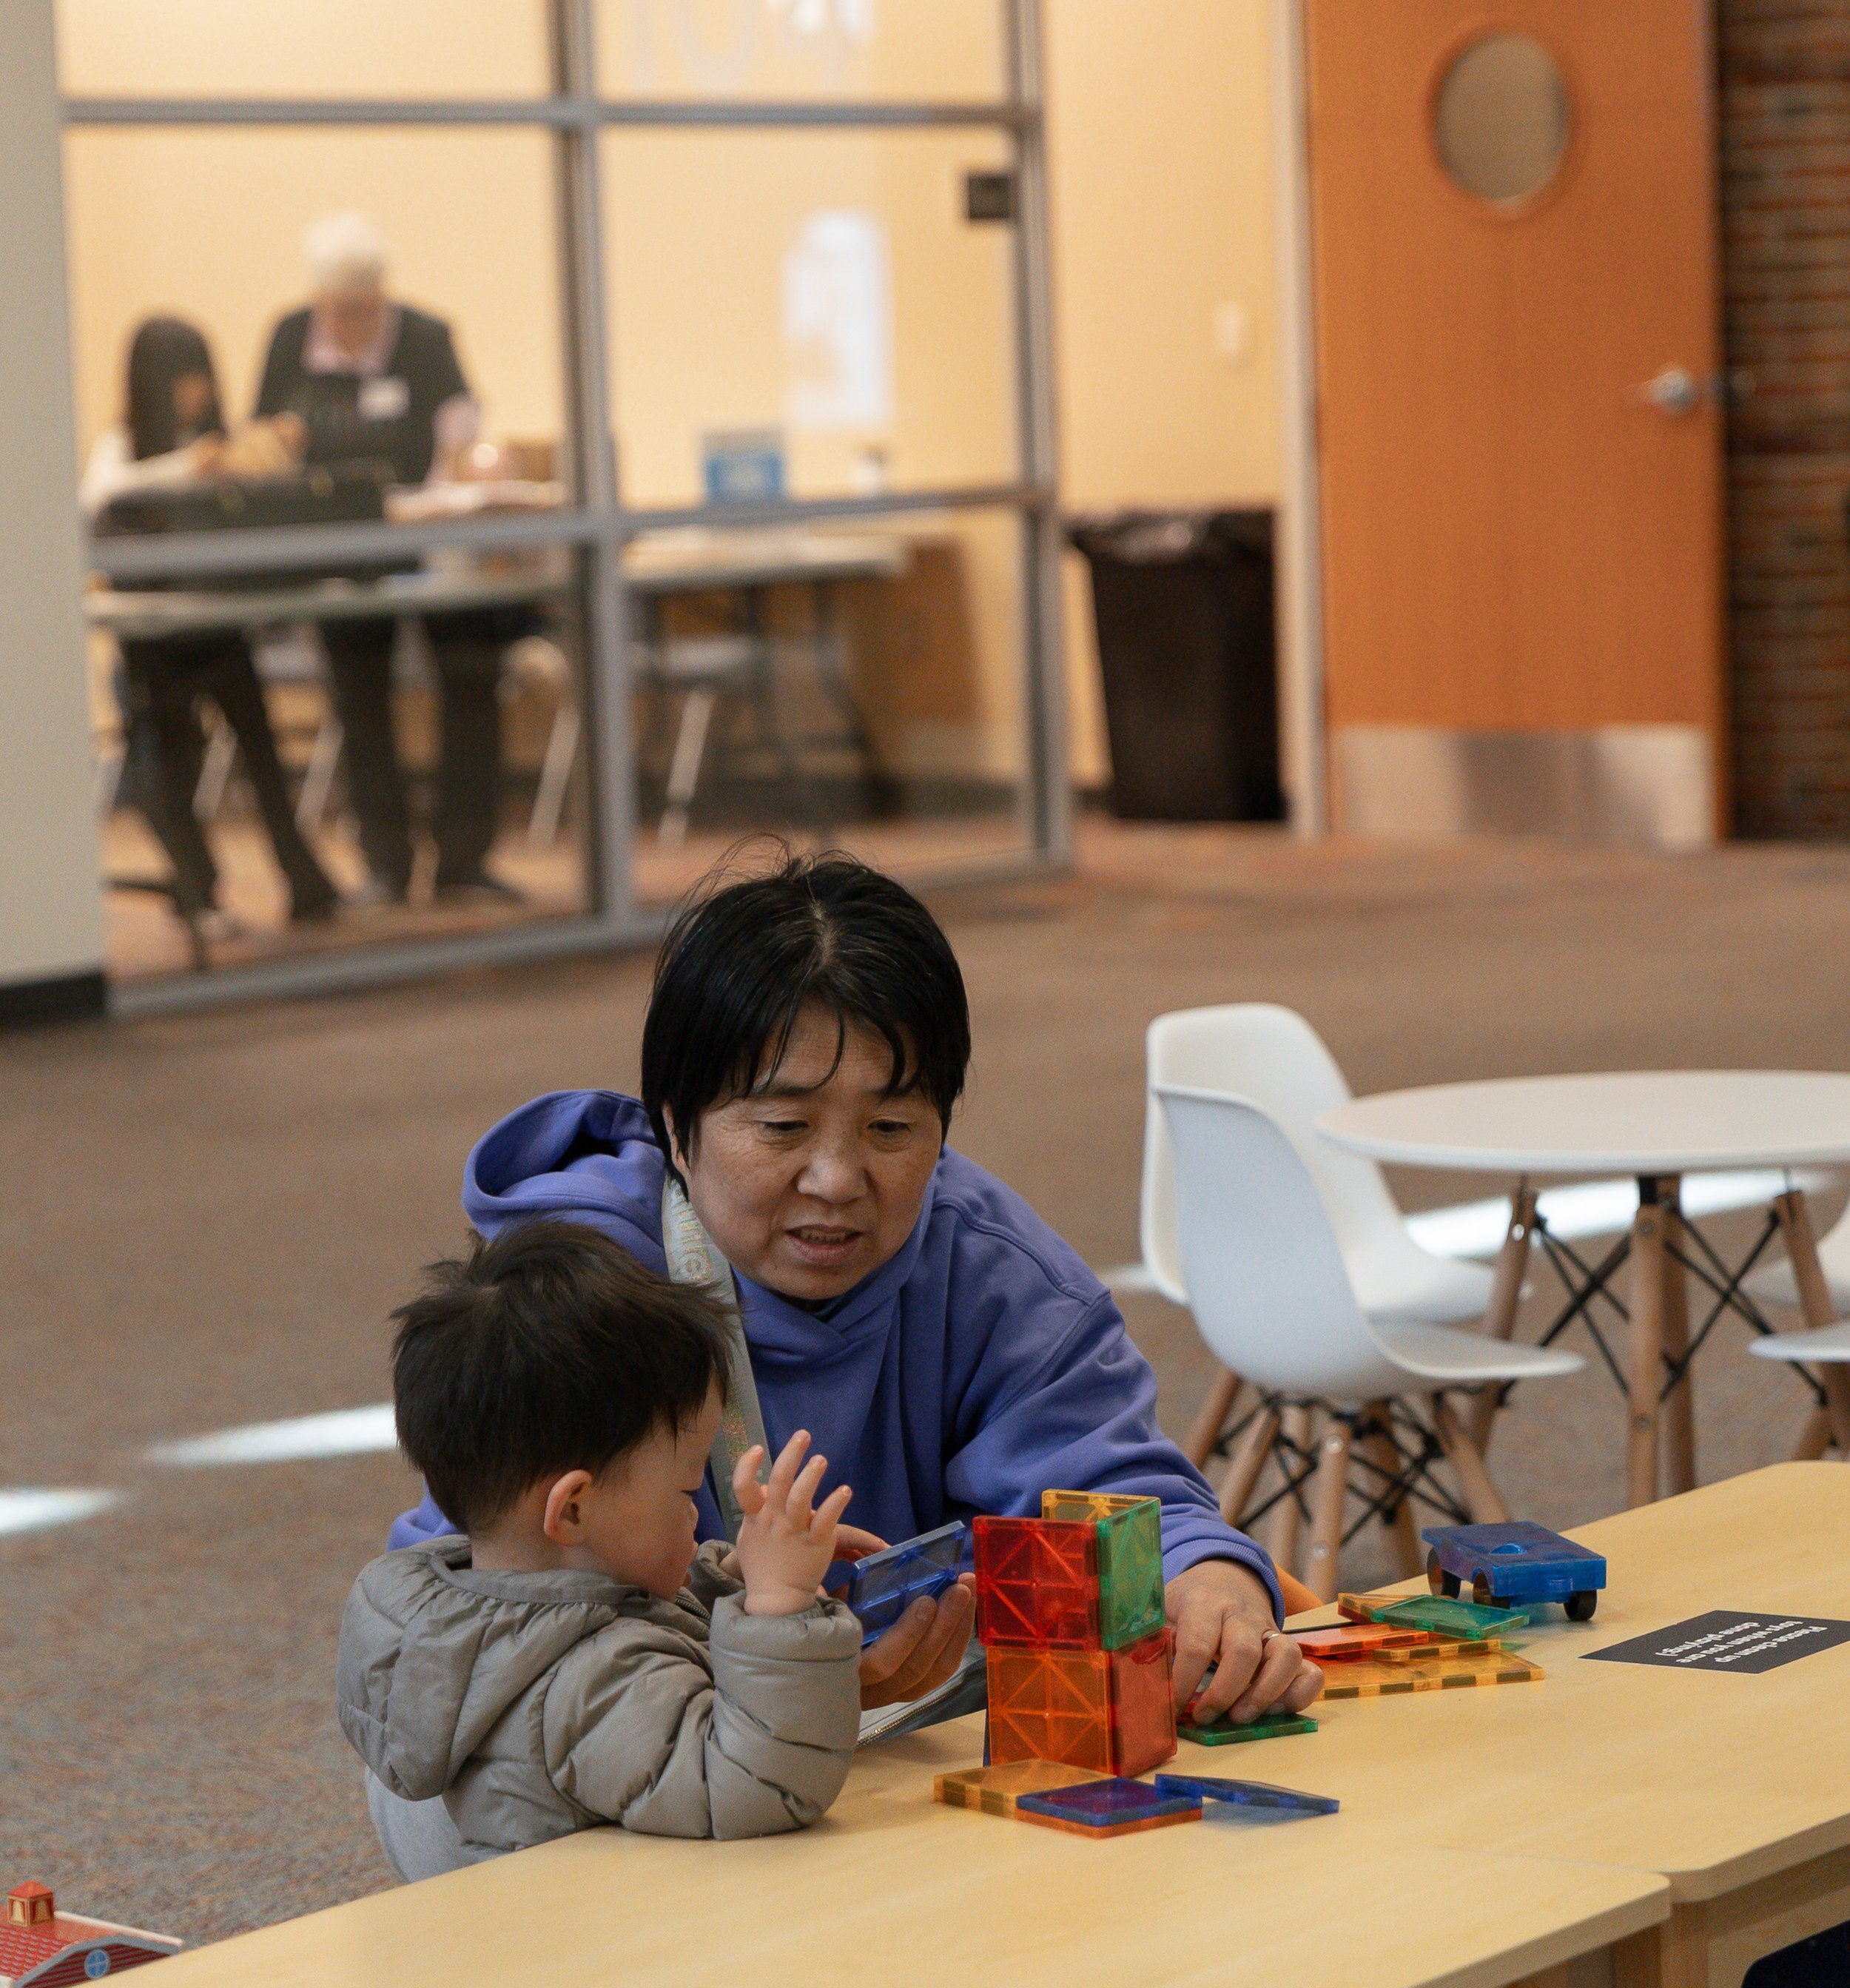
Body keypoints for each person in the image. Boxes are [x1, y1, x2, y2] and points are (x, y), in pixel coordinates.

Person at [386, 850, 1322, 1791]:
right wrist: (788, 1681)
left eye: (890, 1129)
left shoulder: (992, 1269)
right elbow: (462, 1621)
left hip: (890, 1755)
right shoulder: (576, 1299)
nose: (836, 1182)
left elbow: (1118, 1492)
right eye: (782, 1128)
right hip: (615, 1759)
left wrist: (1213, 1591)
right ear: (676, 1126)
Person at [340, 1221, 864, 1871]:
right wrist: (782, 1610)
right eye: (683, 1491)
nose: (697, 1521)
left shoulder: (469, 1621)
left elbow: (622, 1604)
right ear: (574, 1508)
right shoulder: (593, 1682)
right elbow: (762, 1789)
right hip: (605, 1954)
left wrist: (734, 1580)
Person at [253, 213, 526, 909]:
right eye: (342, 309)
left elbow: (463, 433)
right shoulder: (291, 338)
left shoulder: (427, 337)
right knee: (359, 699)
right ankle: (386, 863)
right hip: (343, 546)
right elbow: (262, 442)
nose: (355, 320)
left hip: (434, 542)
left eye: (367, 306)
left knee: (470, 681)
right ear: (320, 300)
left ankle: (464, 859)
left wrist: (460, 481)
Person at [84, 317, 342, 949]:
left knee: (263, 758)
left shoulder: (222, 443)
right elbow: (99, 496)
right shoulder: (126, 448)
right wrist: (191, 467)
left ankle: (306, 882)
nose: (195, 394)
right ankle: (199, 892)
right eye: (183, 381)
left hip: (223, 631)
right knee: (167, 771)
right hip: (153, 642)